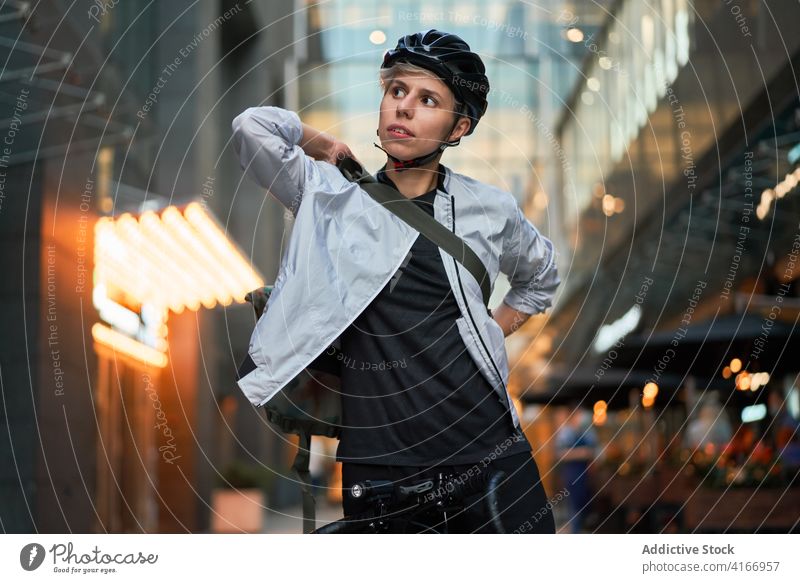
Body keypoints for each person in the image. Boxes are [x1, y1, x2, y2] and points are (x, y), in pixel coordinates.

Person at [232, 29, 561, 533]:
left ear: (458, 128)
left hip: (490, 452)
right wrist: (321, 143)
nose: (404, 107)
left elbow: (541, 277)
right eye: (396, 91)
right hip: (382, 466)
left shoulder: (489, 208)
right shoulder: (329, 195)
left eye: (428, 99)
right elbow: (250, 128)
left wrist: (491, 327)